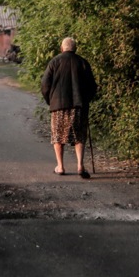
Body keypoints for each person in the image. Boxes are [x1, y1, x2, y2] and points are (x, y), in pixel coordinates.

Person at [41, 37, 97, 178]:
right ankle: (80, 165)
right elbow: (92, 86)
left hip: (58, 105)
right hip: (79, 106)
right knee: (79, 135)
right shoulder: (83, 62)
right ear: (75, 48)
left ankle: (60, 166)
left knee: (58, 136)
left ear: (62, 48)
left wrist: (50, 100)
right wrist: (86, 100)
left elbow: (45, 84)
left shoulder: (54, 62)